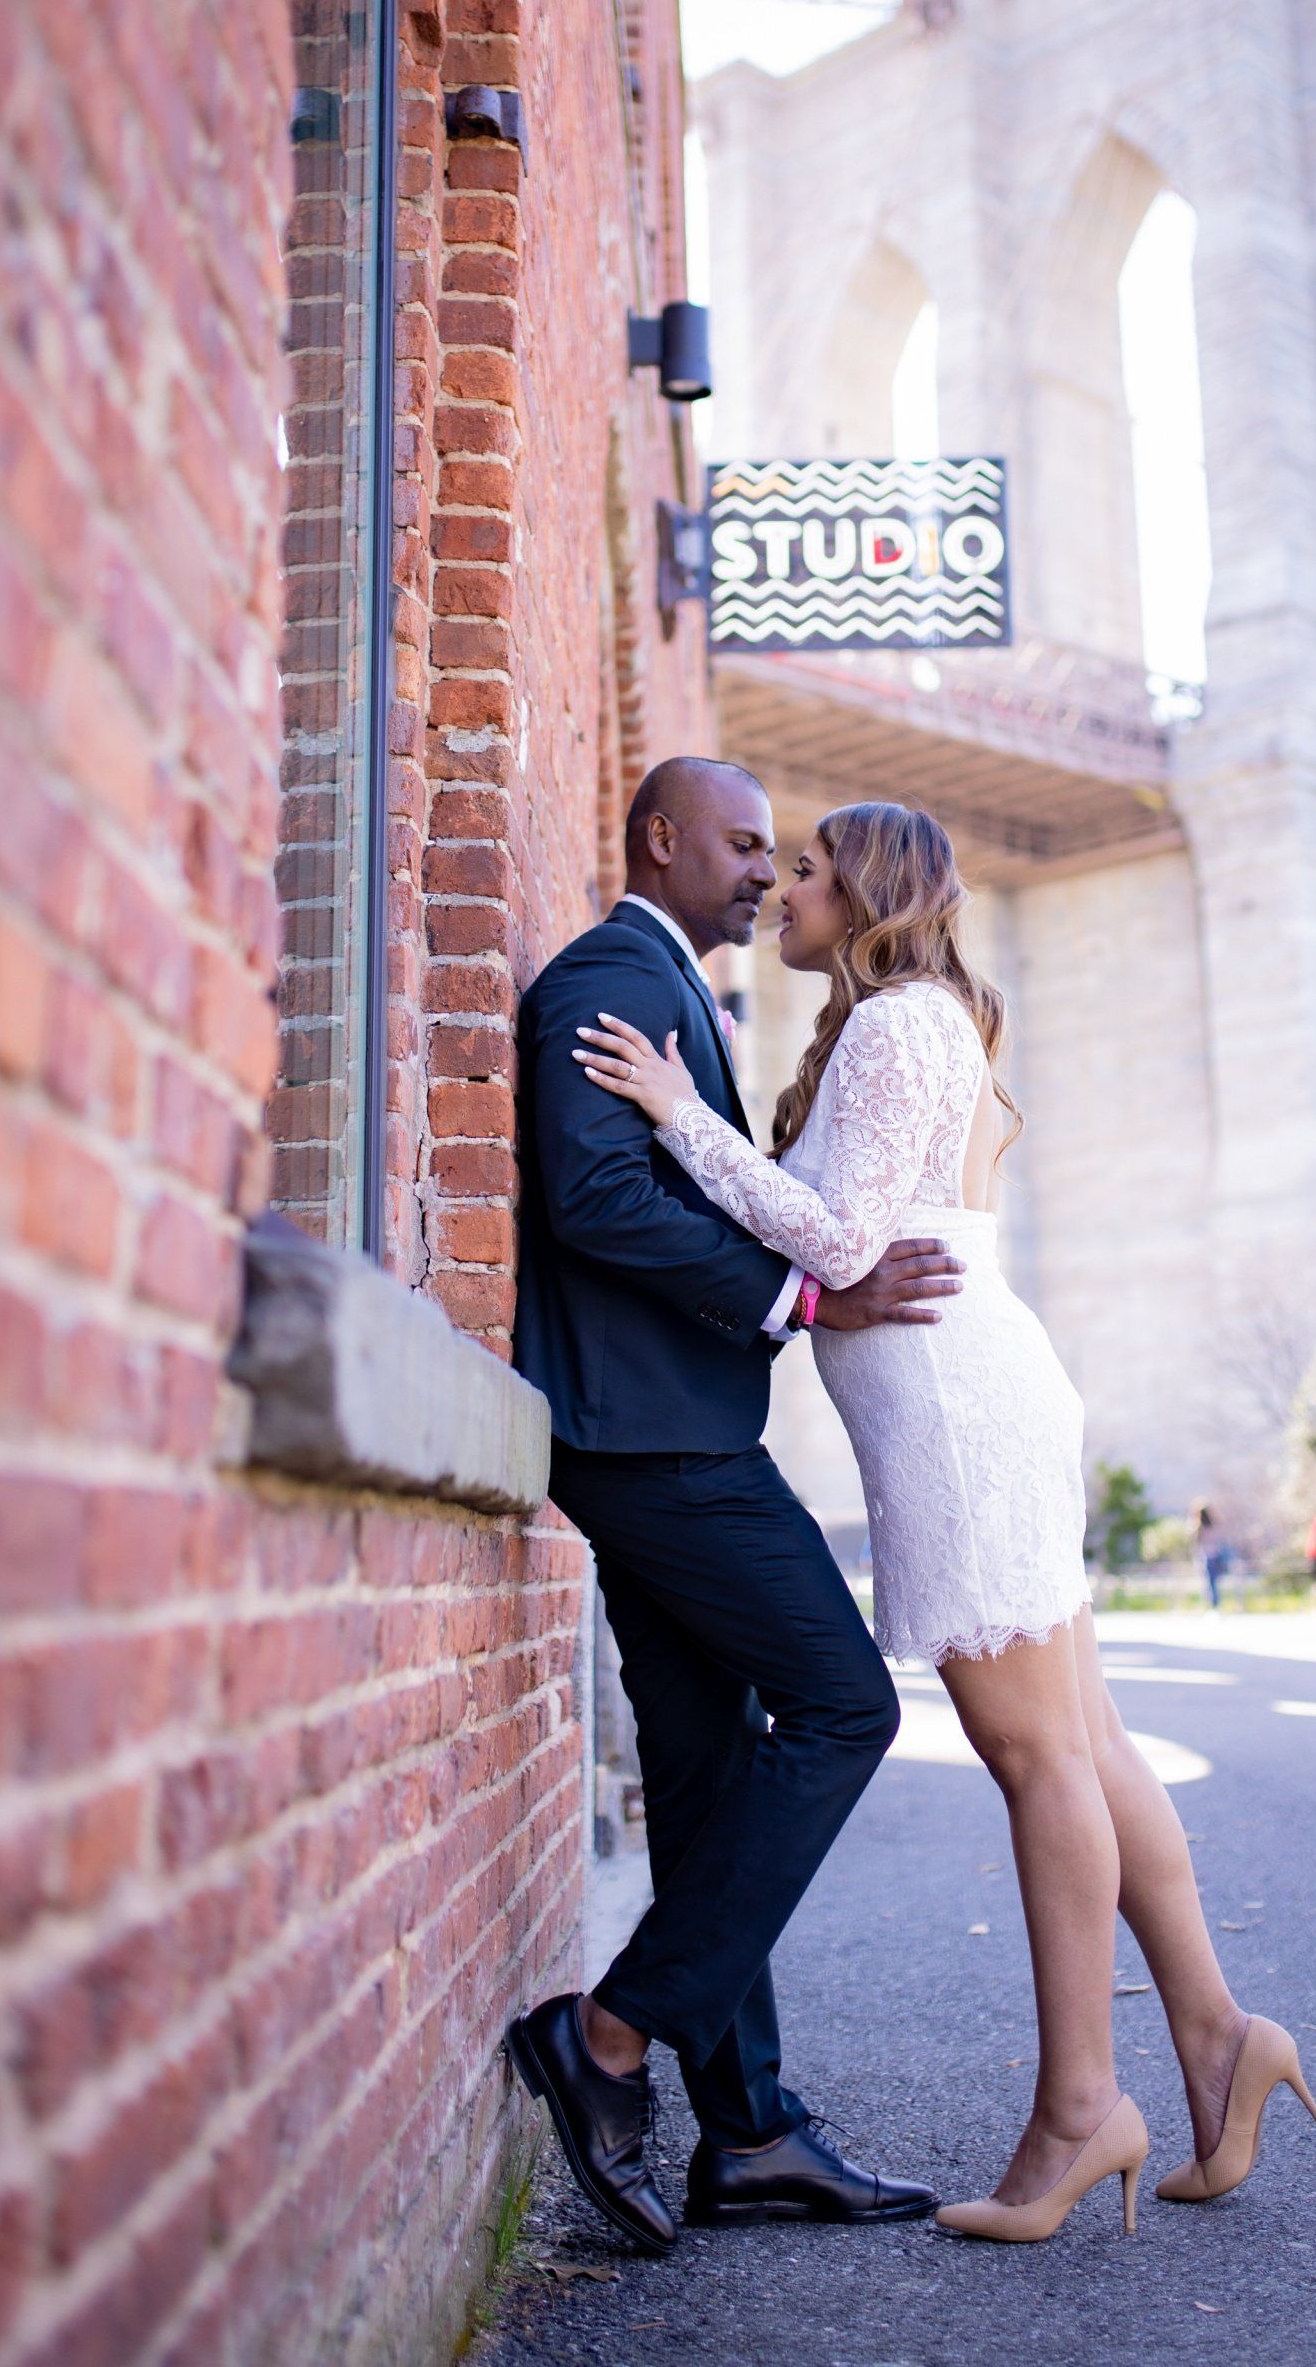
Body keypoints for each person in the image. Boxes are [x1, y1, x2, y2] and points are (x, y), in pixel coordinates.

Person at [580, 794, 1316, 2245]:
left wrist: (676, 1119)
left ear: (872, 890)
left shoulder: (900, 1021)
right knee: (1085, 1741)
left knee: (1038, 1751)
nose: (781, 890)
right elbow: (852, 1221)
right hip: (968, 1395)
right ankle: (1219, 2040)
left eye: (805, 869)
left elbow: (844, 1239)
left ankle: (1078, 2111)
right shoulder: (923, 1020)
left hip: (957, 1414)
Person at [505, 760, 956, 2252]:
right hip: (655, 1444)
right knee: (844, 1708)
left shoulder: (669, 990)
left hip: (665, 1429)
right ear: (663, 840)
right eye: (748, 845)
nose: (766, 872)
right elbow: (598, 1202)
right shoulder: (605, 981)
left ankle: (752, 2136)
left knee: (707, 1775)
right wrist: (799, 1293)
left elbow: (683, 1178)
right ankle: (613, 2038)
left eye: (782, 854)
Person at [1192, 1503, 1228, 1611]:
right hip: (1215, 1556)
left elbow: (1197, 1544)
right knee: (1213, 1582)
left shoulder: (1199, 1528)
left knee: (1209, 1583)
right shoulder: (1212, 1526)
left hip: (1207, 1557)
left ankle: (1212, 1605)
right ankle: (1214, 1605)